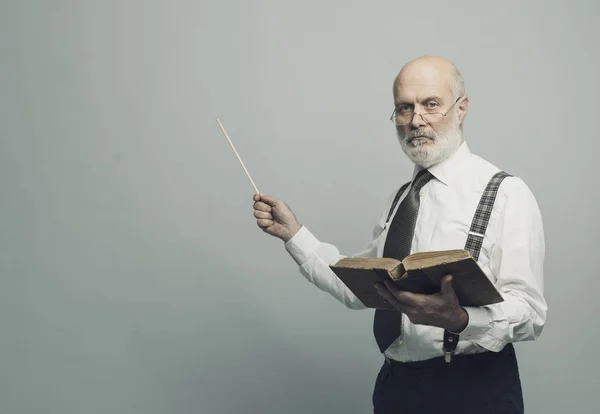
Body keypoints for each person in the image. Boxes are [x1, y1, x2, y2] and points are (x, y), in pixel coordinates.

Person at [252, 55, 547, 414]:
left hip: (472, 390)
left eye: (431, 104)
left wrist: (461, 320)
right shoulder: (401, 200)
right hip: (397, 389)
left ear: (462, 108)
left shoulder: (505, 193)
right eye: (405, 108)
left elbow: (530, 314)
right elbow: (359, 287)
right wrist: (294, 234)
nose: (417, 120)